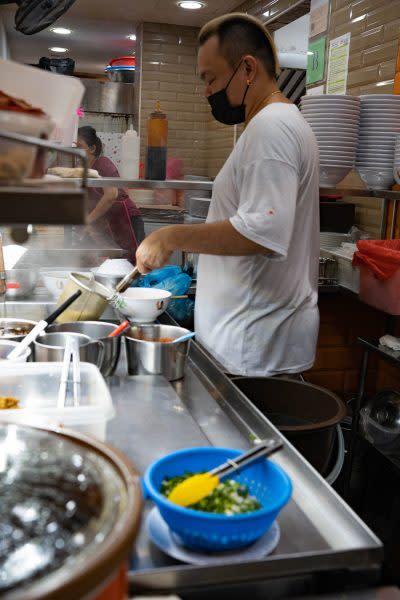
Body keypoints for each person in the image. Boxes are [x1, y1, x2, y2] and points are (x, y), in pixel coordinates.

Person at [135, 13, 320, 377]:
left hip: (254, 349)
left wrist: (169, 235)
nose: (207, 91)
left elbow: (261, 233)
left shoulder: (272, 128)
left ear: (247, 68)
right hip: (253, 341)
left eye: (211, 78)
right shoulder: (278, 123)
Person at [77, 126, 145, 264]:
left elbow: (111, 195)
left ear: (92, 148)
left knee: (134, 266)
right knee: (115, 265)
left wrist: (88, 221)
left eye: (80, 146)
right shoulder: (83, 171)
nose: (76, 151)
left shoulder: (102, 163)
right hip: (110, 223)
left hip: (127, 221)